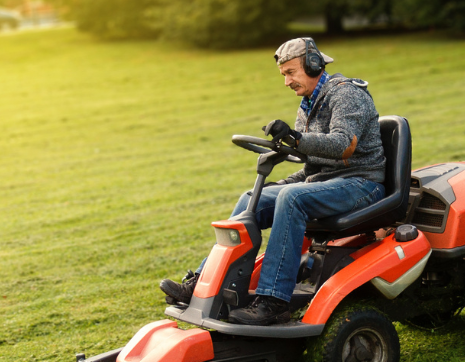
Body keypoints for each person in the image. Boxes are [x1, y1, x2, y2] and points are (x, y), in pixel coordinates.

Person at [159, 37, 386, 326]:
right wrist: (278, 182)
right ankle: (204, 283)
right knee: (252, 197)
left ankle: (273, 301)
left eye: (291, 73)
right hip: (327, 183)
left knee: (291, 198)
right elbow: (312, 167)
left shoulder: (346, 95)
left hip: (361, 184)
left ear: (313, 64)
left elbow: (344, 145)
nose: (287, 81)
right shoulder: (308, 104)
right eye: (284, 75)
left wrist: (295, 138)